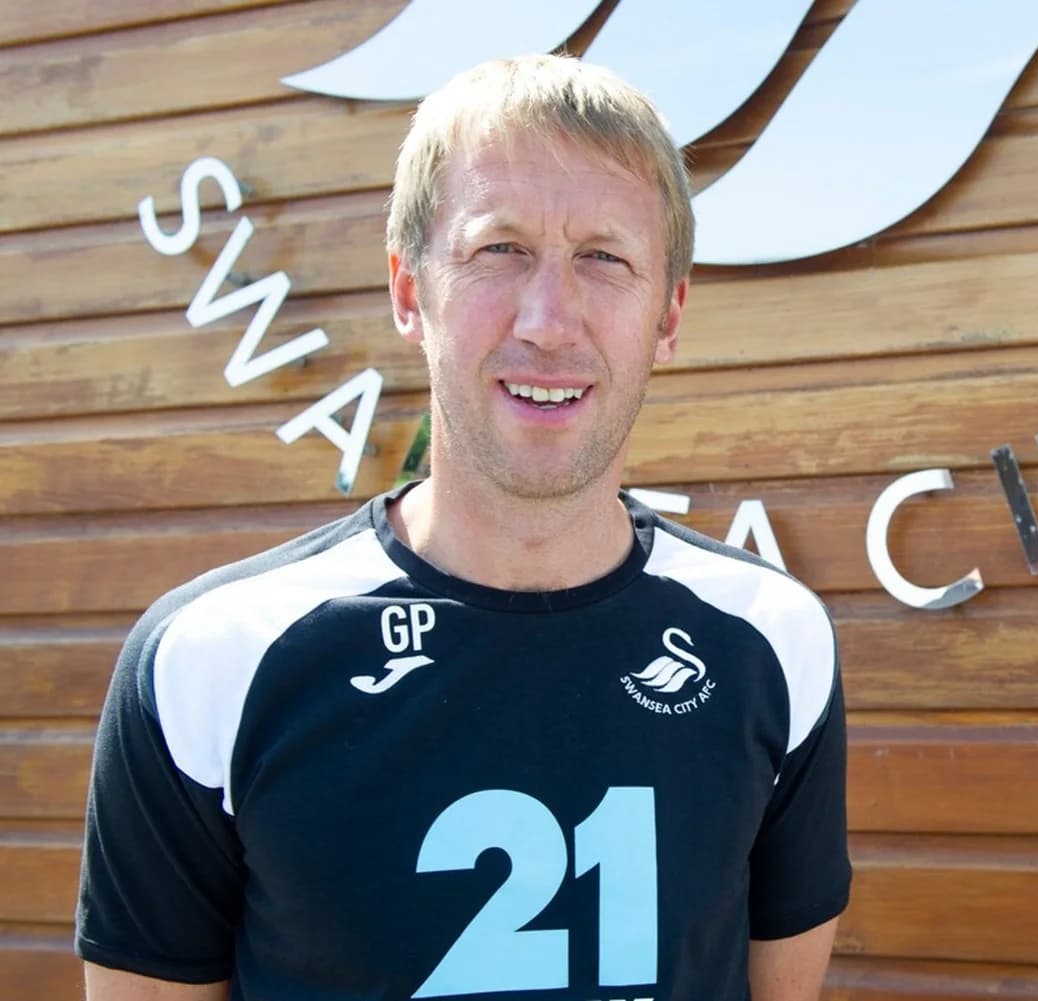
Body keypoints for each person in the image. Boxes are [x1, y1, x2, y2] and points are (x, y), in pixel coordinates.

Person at [75, 53, 850, 1001]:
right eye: (499, 249)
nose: (550, 319)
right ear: (410, 291)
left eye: (604, 258)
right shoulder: (210, 662)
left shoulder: (774, 643)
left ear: (669, 314)